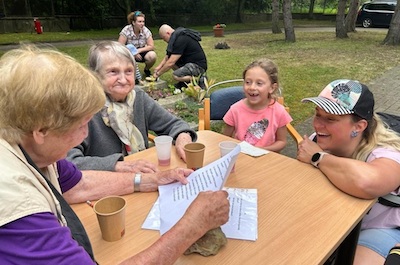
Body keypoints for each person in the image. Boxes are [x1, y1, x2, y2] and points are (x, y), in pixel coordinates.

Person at [0, 45, 230, 264]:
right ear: (41, 130)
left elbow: (78, 185)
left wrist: (154, 179)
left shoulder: (29, 148)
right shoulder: (19, 207)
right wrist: (192, 227)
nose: (84, 134)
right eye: (82, 125)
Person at [297, 79, 400, 265]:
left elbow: (367, 182)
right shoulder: (319, 141)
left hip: (378, 228)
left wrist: (317, 158)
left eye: (330, 119)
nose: (318, 125)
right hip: (336, 218)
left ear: (358, 126)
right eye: (317, 115)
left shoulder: (386, 154)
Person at [67, 41, 195, 173]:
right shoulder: (85, 107)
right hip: (103, 187)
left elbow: (174, 124)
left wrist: (183, 137)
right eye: (113, 72)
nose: (123, 80)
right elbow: (67, 163)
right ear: (96, 76)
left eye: (128, 71)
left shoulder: (137, 97)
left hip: (143, 178)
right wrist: (118, 165)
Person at [222, 58, 292, 152]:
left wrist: (261, 150)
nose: (252, 87)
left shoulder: (278, 111)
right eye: (248, 82)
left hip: (267, 159)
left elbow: (281, 141)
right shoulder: (235, 110)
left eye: (259, 83)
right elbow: (224, 138)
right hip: (241, 158)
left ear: (272, 88)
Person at [153, 24, 207, 89]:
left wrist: (158, 74)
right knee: (172, 63)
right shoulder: (176, 36)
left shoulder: (180, 39)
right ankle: (184, 82)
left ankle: (198, 80)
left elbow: (170, 62)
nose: (164, 41)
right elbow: (168, 57)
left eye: (164, 38)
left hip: (198, 66)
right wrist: (159, 67)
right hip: (188, 63)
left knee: (176, 75)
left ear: (168, 33)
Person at [118, 10, 156, 78]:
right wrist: (133, 52)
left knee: (152, 56)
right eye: (139, 22)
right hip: (128, 52)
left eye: (143, 21)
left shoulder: (146, 30)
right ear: (133, 22)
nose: (142, 24)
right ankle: (131, 74)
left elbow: (151, 46)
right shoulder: (126, 30)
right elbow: (119, 46)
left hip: (141, 51)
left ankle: (146, 70)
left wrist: (139, 51)